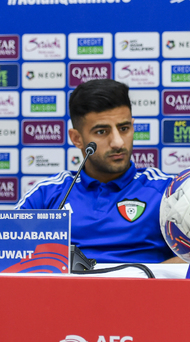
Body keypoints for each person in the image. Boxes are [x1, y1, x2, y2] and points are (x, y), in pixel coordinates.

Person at [17, 79, 178, 264]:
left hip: (146, 291)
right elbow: (10, 256)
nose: (118, 142)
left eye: (124, 128)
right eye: (102, 132)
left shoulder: (168, 191)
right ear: (77, 138)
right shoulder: (48, 194)